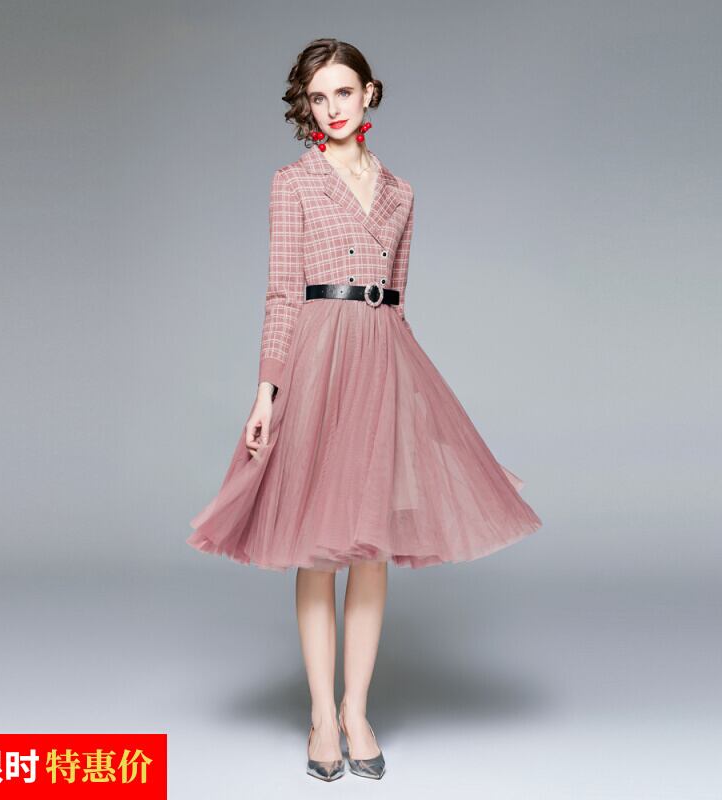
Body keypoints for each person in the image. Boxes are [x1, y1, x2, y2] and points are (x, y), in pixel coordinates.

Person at [187, 38, 544, 781]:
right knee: (317, 544)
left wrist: (415, 399)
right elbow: (281, 292)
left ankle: (357, 710)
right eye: (318, 98)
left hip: (382, 360)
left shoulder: (402, 193)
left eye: (343, 93)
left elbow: (399, 303)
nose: (332, 109)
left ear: (370, 93)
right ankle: (322, 716)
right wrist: (267, 390)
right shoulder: (292, 183)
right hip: (316, 361)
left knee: (372, 546)